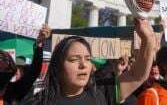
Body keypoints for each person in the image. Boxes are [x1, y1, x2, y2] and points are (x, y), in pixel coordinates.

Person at [23, 18, 156, 105]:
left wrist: (148, 39)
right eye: (74, 59)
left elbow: (136, 75)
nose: (84, 65)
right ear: (58, 66)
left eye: (88, 59)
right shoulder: (38, 102)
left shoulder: (101, 93)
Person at [0, 25, 50, 105]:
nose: (1, 62)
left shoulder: (13, 90)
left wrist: (39, 45)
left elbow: (34, 71)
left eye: (3, 59)